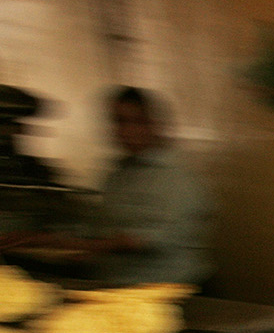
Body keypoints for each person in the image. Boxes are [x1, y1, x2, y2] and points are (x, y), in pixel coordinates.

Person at [0, 87, 212, 285]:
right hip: (115, 285)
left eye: (134, 121)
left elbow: (149, 240)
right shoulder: (119, 174)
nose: (124, 130)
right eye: (118, 122)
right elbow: (98, 227)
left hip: (164, 288)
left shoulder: (178, 179)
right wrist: (41, 239)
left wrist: (84, 247)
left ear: (155, 125)